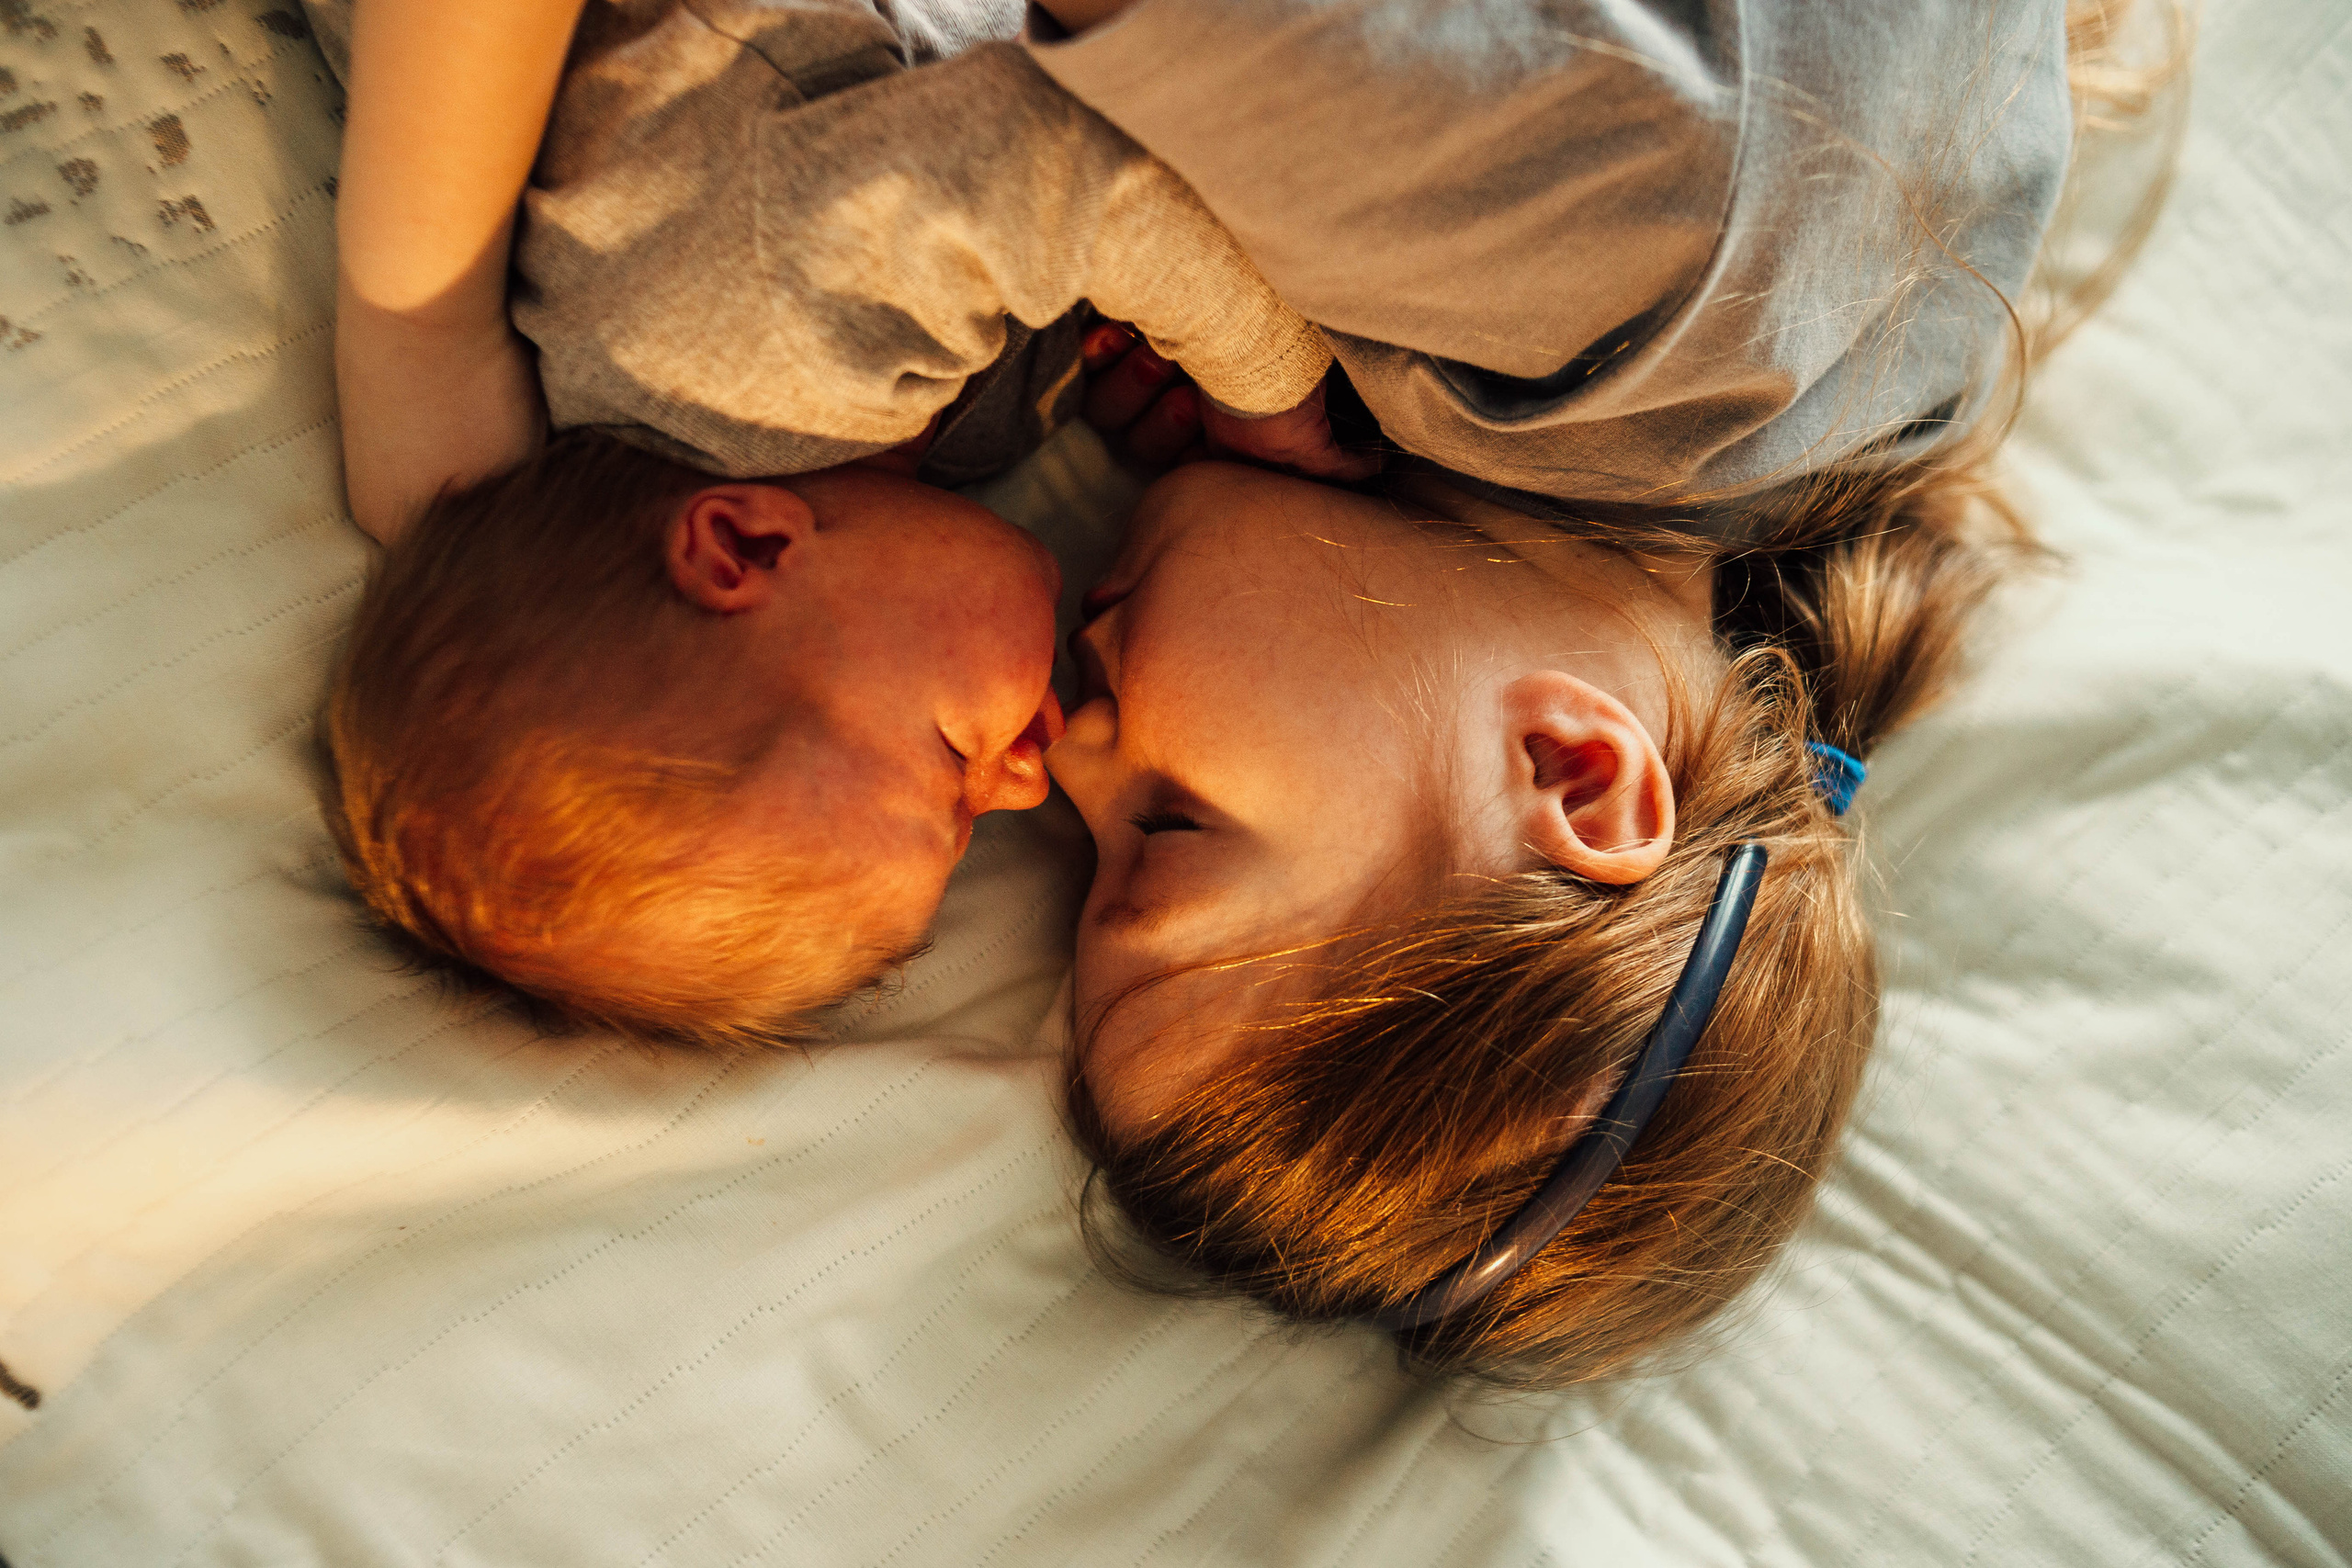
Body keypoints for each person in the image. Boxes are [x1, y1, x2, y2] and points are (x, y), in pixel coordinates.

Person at [1029, 0, 2173, 1383]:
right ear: (1573, 769)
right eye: (1163, 830)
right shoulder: (1624, 280)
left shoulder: (1845, 395)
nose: (1064, 758)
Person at [310, 0, 1361, 1042]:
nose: (1028, 775)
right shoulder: (915, 480)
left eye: (952, 766)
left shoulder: (752, 343)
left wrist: (1264, 394)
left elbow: (1078, 169)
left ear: (745, 546)